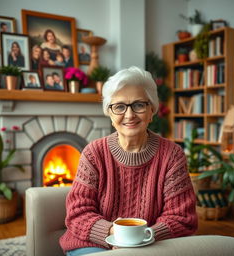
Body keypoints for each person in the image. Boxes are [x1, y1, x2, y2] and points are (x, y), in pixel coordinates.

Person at [59, 66, 198, 256]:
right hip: (93, 244)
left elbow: (181, 217)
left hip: (152, 245)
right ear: (110, 113)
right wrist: (116, 234)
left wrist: (143, 237)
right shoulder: (93, 153)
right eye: (119, 106)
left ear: (152, 110)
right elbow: (78, 213)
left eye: (139, 105)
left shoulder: (172, 155)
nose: (129, 114)